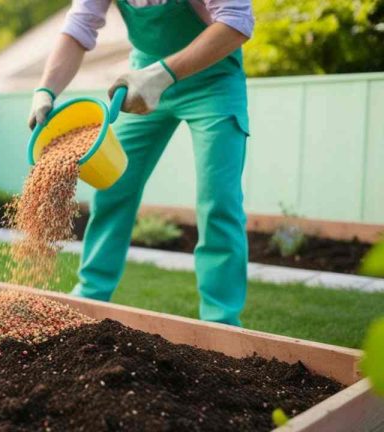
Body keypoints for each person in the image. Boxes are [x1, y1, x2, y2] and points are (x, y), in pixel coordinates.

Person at [28, 0, 254, 326]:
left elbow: (237, 22)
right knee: (113, 185)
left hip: (213, 81)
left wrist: (162, 75)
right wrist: (46, 90)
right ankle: (91, 295)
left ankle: (222, 320)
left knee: (219, 200)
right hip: (142, 82)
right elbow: (79, 27)